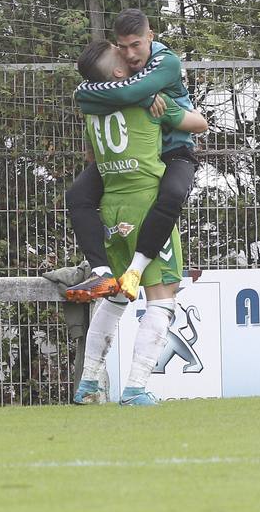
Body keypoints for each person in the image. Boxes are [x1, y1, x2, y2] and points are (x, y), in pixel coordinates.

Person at [67, 41, 208, 406]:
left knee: (115, 296)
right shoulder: (149, 100)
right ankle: (135, 388)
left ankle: (87, 385)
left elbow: (89, 154)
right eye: (120, 56)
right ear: (117, 73)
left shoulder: (93, 110)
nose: (130, 58)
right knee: (162, 296)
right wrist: (161, 104)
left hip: (112, 208)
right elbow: (199, 124)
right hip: (148, 204)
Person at [63, 8, 197, 301]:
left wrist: (140, 95)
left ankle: (137, 268)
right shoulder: (124, 73)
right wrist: (142, 96)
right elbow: (86, 99)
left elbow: (119, 96)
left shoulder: (166, 62)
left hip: (173, 149)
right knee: (77, 196)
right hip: (132, 159)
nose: (130, 53)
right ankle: (101, 272)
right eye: (122, 47)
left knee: (172, 194)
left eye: (136, 44)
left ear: (150, 36)